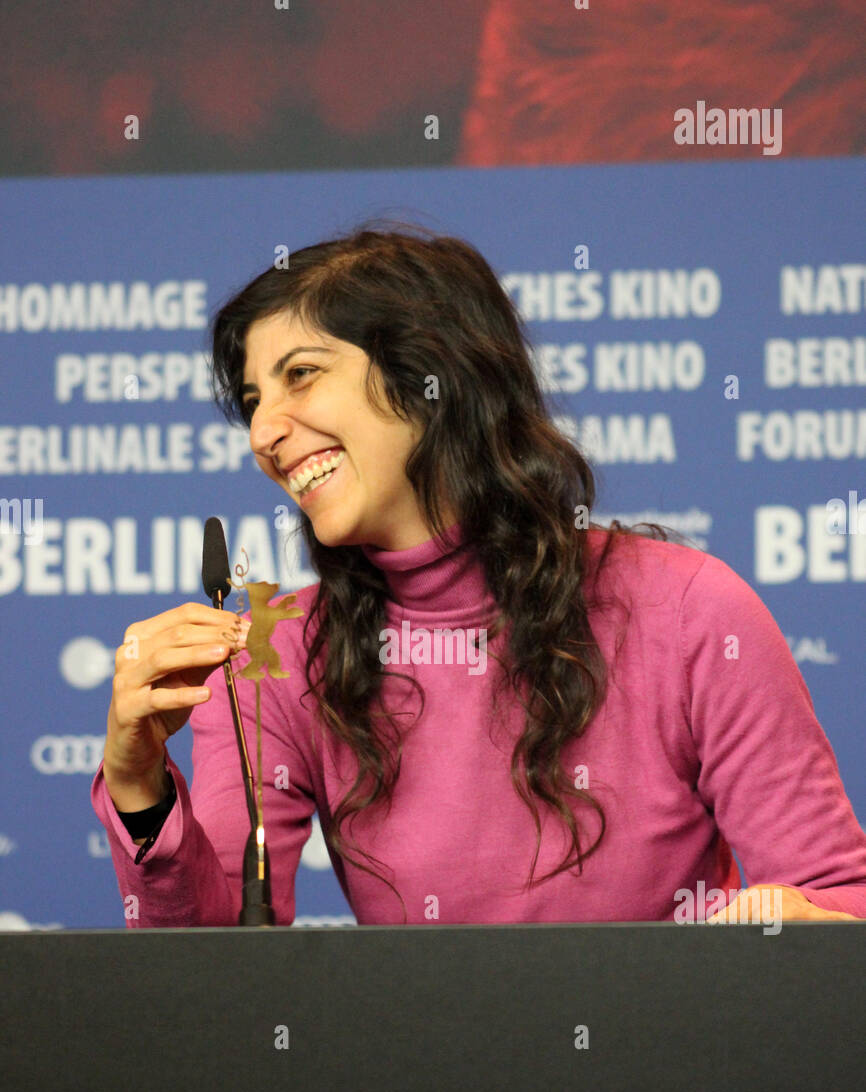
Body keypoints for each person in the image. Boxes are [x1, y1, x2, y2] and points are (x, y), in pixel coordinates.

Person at [91, 223, 866, 927]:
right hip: (423, 1081)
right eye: (255, 400)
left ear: (435, 376)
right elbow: (215, 985)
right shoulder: (272, 653)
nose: (264, 433)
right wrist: (138, 787)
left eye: (301, 374)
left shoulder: (690, 610)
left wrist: (787, 926)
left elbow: (838, 906)